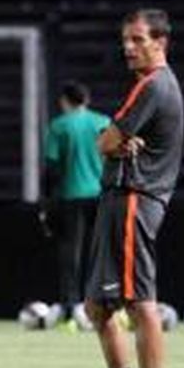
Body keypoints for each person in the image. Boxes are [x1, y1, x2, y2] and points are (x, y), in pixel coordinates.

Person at [82, 8, 184, 368]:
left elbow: (104, 141)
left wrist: (113, 139)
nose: (129, 46)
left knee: (141, 303)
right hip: (124, 200)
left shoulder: (153, 84)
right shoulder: (155, 85)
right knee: (98, 306)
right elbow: (107, 141)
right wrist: (112, 139)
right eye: (126, 39)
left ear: (160, 43)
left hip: (133, 200)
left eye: (138, 39)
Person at [44, 80, 110, 322]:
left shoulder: (59, 126)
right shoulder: (102, 122)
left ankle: (71, 307)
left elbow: (51, 166)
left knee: (71, 253)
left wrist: (47, 202)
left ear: (64, 101)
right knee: (101, 251)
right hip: (101, 196)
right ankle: (102, 303)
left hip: (71, 195)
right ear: (87, 100)